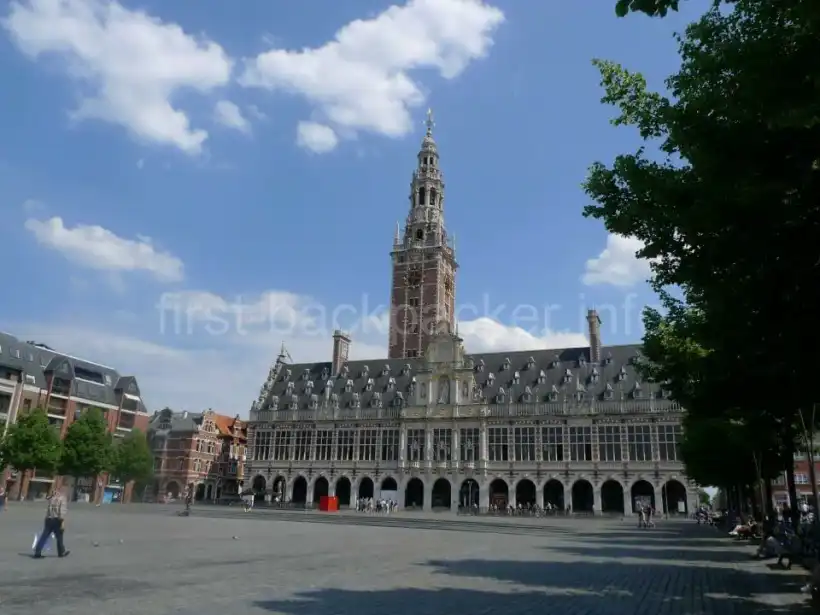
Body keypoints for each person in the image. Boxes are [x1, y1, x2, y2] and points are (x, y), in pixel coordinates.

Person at [33, 486, 70, 559]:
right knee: (59, 537)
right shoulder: (62, 499)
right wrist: (62, 523)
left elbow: (48, 502)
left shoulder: (52, 498)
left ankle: (38, 551)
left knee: (44, 536)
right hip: (57, 520)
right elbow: (62, 512)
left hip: (48, 519)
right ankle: (61, 552)